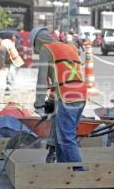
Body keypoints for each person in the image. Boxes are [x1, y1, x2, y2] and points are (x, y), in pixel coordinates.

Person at [30, 27, 87, 163]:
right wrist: (51, 100)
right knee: (62, 137)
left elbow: (42, 79)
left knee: (66, 138)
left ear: (37, 41)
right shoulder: (71, 47)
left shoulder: (46, 48)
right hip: (81, 95)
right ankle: (64, 170)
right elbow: (62, 76)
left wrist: (39, 103)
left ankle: (78, 171)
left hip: (67, 97)